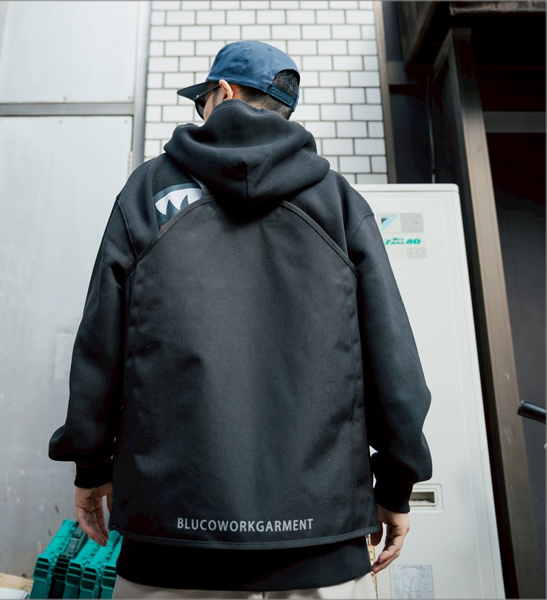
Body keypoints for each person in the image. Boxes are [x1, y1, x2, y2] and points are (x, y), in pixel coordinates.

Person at [48, 40, 432, 599]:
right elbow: (393, 360)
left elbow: (99, 346)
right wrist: (396, 484)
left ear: (222, 93)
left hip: (172, 540)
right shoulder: (337, 202)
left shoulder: (147, 193)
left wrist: (89, 464)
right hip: (319, 538)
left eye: (201, 99)